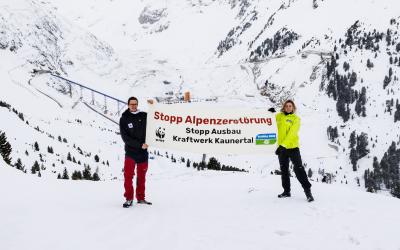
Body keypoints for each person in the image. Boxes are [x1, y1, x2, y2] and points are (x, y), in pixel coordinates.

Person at [268, 100, 314, 202]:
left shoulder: (296, 119)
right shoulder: (279, 116)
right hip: (281, 149)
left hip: (293, 148)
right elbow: (269, 120)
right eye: (286, 106)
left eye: (290, 106)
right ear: (284, 107)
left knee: (299, 169)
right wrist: (268, 113)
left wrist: (283, 145)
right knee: (284, 170)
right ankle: (286, 191)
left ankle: (308, 191)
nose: (288, 107)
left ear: (293, 108)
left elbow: (292, 133)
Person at [119, 97, 152, 208]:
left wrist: (153, 106)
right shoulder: (124, 118)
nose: (133, 106)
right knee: (128, 176)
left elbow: (156, 120)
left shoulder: (144, 115)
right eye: (131, 104)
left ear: (137, 104)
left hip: (143, 152)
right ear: (128, 105)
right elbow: (125, 138)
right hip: (130, 153)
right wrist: (139, 145)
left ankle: (141, 198)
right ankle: (129, 198)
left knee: (142, 177)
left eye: (135, 104)